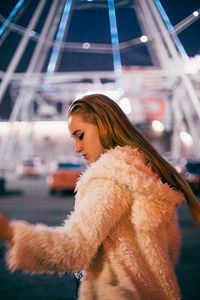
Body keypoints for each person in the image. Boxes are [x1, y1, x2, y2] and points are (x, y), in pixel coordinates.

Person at [0, 93, 200, 300]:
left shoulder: (110, 178)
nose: (77, 148)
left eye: (81, 135)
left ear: (104, 125)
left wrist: (9, 232)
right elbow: (168, 253)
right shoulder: (144, 176)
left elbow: (75, 248)